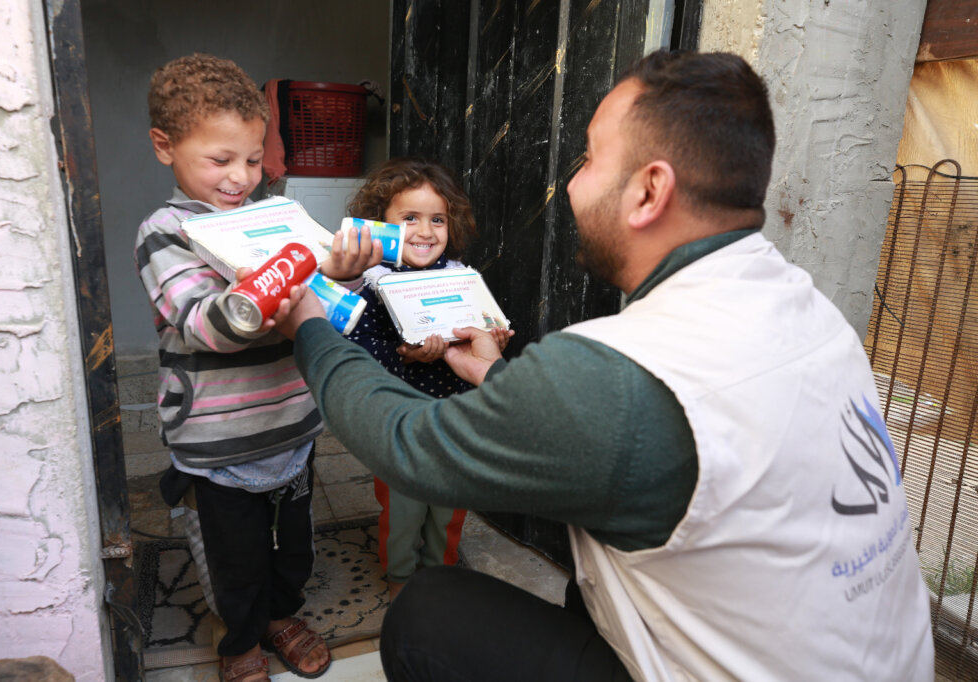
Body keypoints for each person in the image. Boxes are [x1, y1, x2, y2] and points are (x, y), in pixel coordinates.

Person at [270, 50, 935, 681]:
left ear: (650, 190)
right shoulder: (814, 314)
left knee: (426, 613)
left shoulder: (622, 369)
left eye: (588, 159)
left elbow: (408, 445)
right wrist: (495, 376)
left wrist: (310, 326)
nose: (569, 182)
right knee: (591, 590)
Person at [135, 53, 381, 682]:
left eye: (251, 158)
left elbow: (320, 289)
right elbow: (196, 319)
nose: (239, 176)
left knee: (293, 546)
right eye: (220, 160)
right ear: (166, 146)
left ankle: (282, 614)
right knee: (233, 559)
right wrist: (259, 296)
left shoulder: (273, 218)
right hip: (220, 441)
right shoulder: (167, 233)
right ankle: (240, 640)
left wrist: (339, 271)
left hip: (291, 426)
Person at [344, 158, 513, 599]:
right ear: (380, 224)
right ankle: (401, 579)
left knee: (448, 507)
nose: (425, 231)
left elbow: (477, 342)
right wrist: (407, 356)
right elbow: (362, 354)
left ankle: (442, 573)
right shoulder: (372, 283)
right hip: (399, 426)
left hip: (455, 420)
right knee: (402, 510)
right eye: (410, 218)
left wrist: (491, 340)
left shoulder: (460, 279)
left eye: (437, 219)